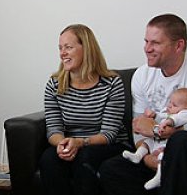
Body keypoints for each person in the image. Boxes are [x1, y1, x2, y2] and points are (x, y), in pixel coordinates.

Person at [99, 13, 187, 195]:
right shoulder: (142, 75)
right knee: (111, 169)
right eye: (146, 41)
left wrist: (166, 131)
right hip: (158, 150)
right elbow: (139, 128)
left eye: (155, 43)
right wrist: (148, 159)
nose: (147, 49)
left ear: (179, 45)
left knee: (180, 142)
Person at [39, 24, 129, 195]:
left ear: (86, 49)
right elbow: (54, 130)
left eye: (68, 47)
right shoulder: (54, 84)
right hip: (71, 143)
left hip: (108, 145)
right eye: (60, 48)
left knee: (85, 157)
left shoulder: (111, 83)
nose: (62, 53)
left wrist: (79, 143)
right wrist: (62, 144)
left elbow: (108, 134)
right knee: (49, 159)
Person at [122, 87, 187, 190]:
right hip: (158, 139)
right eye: (170, 102)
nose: (169, 106)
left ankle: (159, 176)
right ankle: (138, 155)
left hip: (168, 143)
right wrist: (153, 115)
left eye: (174, 105)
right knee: (146, 142)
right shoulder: (170, 111)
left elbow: (177, 119)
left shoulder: (186, 114)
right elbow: (161, 116)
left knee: (163, 155)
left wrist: (169, 121)